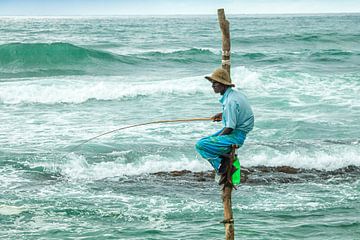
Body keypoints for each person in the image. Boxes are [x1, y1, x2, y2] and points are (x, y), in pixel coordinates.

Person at [195, 68, 254, 184]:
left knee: (200, 145)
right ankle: (225, 160)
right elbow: (238, 113)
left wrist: (218, 139)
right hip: (238, 131)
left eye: (215, 83)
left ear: (223, 84)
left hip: (236, 135)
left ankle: (223, 169)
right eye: (212, 83)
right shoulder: (235, 95)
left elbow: (230, 127)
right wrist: (223, 115)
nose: (213, 86)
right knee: (204, 141)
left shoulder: (230, 101)